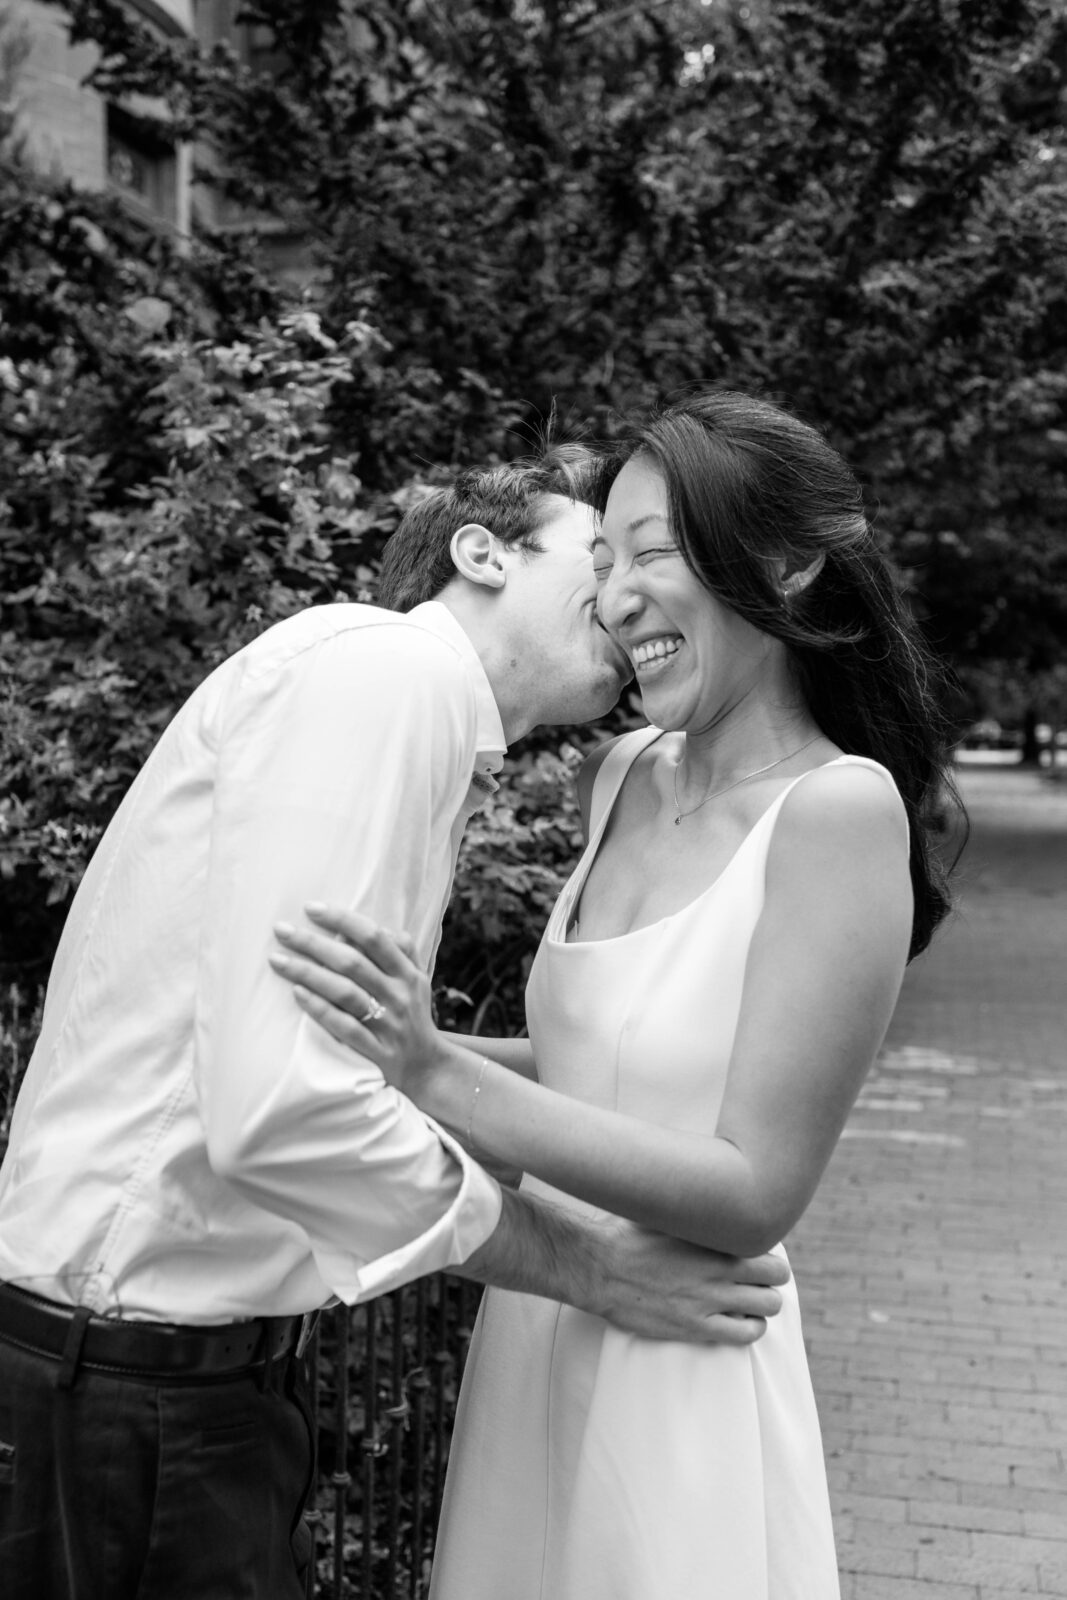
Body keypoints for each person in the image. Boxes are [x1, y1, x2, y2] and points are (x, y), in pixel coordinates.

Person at [0, 454, 789, 1600]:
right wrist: (590, 1268)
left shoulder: (392, 705)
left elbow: (348, 1061)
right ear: (482, 554)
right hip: (128, 1395)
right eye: (597, 556)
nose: (626, 597)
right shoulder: (384, 675)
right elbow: (285, 1110)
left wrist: (661, 1072)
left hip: (150, 1389)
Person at [272, 388, 962, 1600]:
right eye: (602, 559)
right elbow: (591, 1061)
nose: (613, 594)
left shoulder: (837, 813)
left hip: (680, 1358)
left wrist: (435, 1072)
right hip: (539, 1331)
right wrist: (399, 1045)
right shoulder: (621, 771)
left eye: (651, 552)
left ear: (788, 567)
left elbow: (751, 1188)